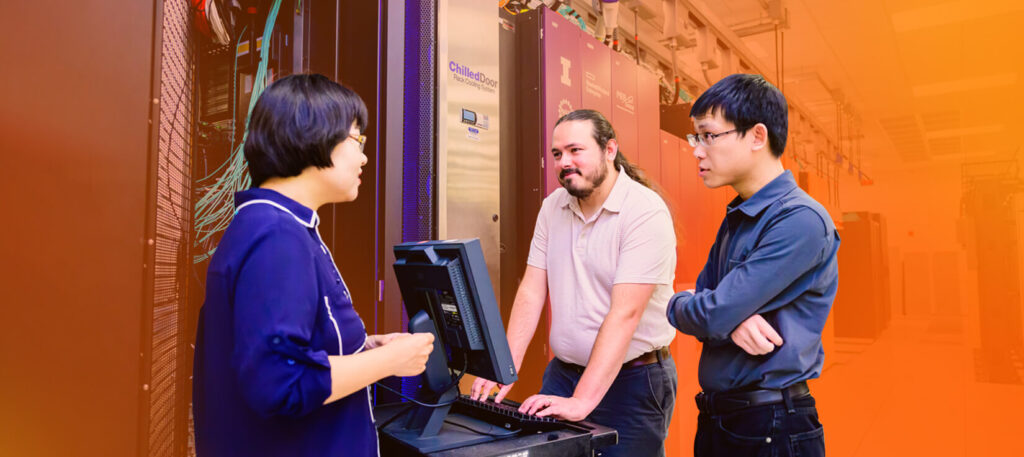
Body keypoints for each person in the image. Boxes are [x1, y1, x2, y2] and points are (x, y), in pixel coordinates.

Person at [192, 73, 434, 457]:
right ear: (314, 135)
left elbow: (283, 346)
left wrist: (366, 347)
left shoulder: (276, 224)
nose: (364, 157)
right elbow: (281, 382)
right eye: (357, 139)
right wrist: (389, 361)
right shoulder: (276, 235)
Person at [471, 109, 678, 457]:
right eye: (557, 153)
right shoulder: (553, 207)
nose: (564, 162)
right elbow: (532, 290)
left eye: (575, 150)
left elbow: (625, 313)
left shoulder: (644, 212)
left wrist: (582, 400)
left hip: (634, 382)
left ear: (609, 150)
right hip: (563, 374)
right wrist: (505, 367)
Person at [665, 74, 839, 457]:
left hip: (770, 426)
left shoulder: (800, 220)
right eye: (696, 138)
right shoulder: (739, 217)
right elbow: (710, 307)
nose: (697, 151)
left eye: (708, 136)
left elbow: (709, 312)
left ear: (757, 136)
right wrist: (728, 318)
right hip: (723, 419)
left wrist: (700, 308)